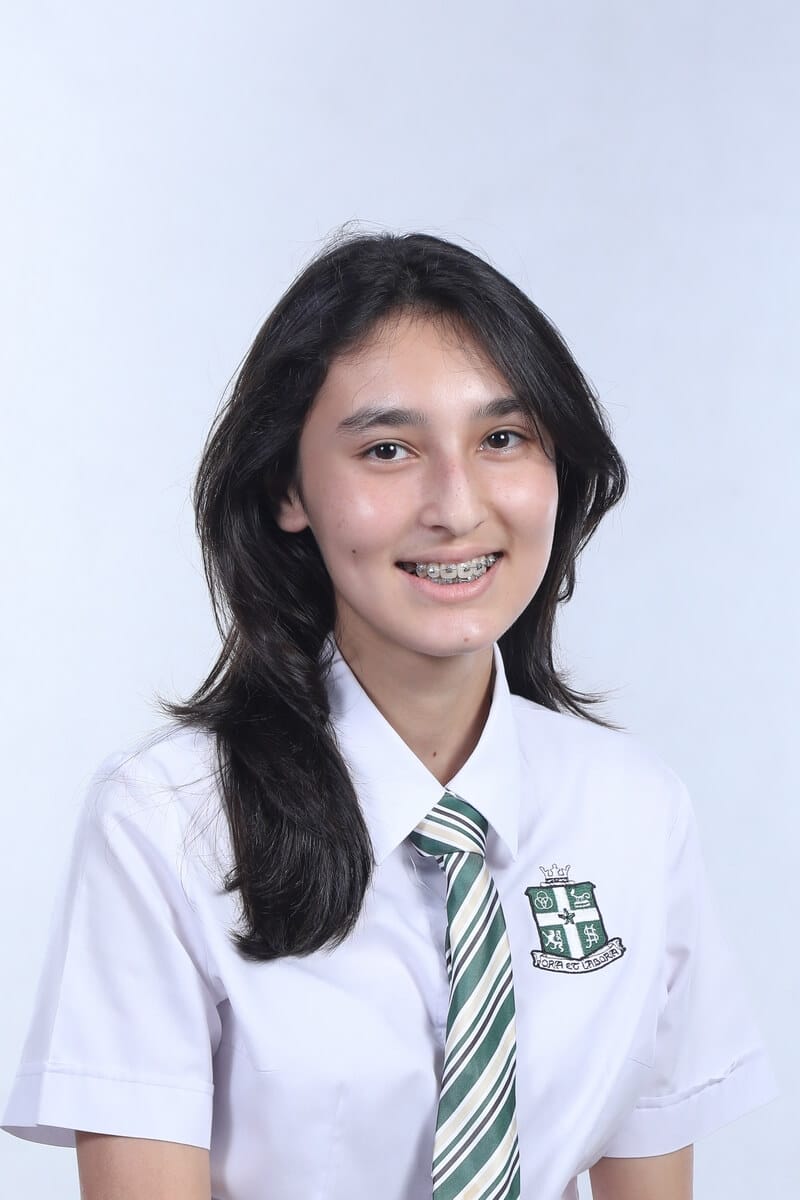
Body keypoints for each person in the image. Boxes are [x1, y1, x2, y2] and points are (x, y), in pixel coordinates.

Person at [1, 231, 777, 1200]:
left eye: (501, 439)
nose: (455, 506)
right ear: (288, 489)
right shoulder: (167, 820)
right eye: (387, 450)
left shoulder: (632, 812)